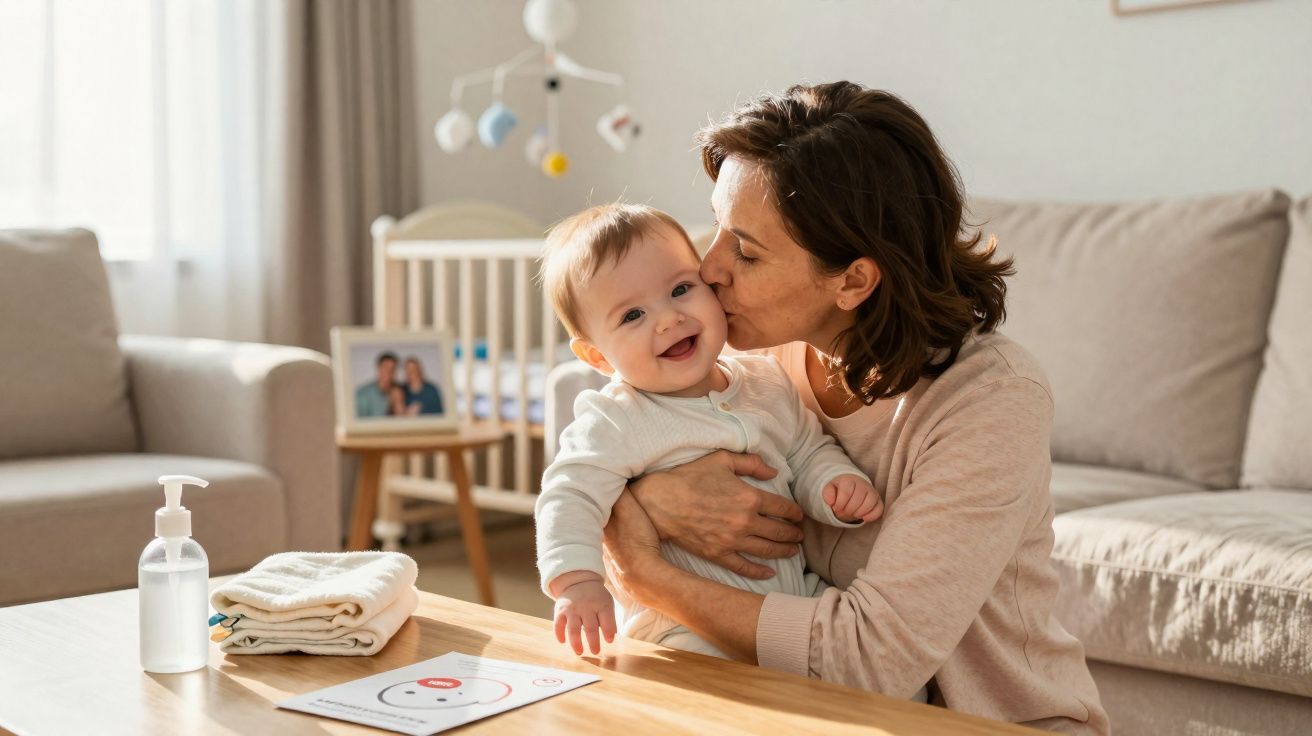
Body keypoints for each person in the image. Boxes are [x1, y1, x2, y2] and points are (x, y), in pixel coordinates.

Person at [598, 82, 1109, 733]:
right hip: (801, 713)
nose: (709, 267)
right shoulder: (754, 359)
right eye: (717, 229)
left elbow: (870, 662)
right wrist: (644, 496)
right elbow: (605, 422)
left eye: (746, 252)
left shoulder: (990, 400)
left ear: (853, 281)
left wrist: (644, 572)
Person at [535, 203, 883, 660]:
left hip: (790, 595)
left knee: (872, 668)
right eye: (632, 316)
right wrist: (577, 582)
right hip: (679, 623)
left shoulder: (765, 381)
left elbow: (807, 451)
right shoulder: (615, 418)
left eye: (681, 289)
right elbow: (569, 496)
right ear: (597, 357)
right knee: (711, 692)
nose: (668, 319)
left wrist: (835, 486)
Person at [355, 351, 399, 418]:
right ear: (379, 368)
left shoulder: (400, 392)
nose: (389, 372)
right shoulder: (362, 394)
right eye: (386, 368)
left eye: (393, 369)